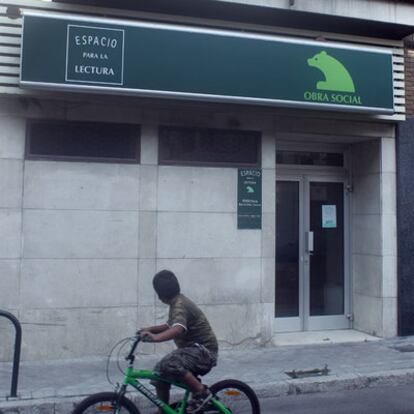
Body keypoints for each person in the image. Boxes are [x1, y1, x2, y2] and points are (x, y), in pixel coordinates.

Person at [139, 270, 218, 414]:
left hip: (204, 352)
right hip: (192, 351)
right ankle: (163, 409)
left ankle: (202, 393)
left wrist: (155, 338)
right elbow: (170, 325)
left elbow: (177, 329)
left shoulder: (180, 304)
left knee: (170, 363)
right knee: (159, 372)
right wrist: (150, 329)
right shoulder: (177, 303)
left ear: (160, 294)